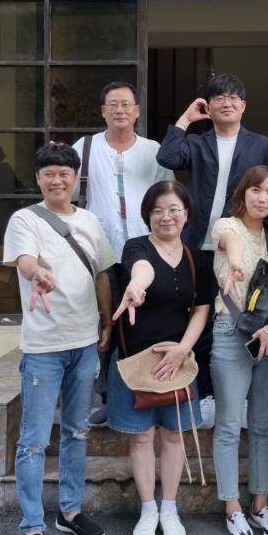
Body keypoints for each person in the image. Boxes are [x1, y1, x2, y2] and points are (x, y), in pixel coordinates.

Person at [2, 143, 116, 535]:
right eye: (48, 173)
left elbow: (101, 272)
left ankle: (70, 511)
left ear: (75, 179)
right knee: (33, 442)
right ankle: (32, 526)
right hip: (43, 348)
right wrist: (37, 273)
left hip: (84, 344)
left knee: (76, 431)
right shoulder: (25, 219)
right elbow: (24, 260)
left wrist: (106, 320)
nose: (57, 180)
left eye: (64, 173)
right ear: (38, 179)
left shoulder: (89, 220)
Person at [156, 74, 268, 426]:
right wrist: (185, 119)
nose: (227, 103)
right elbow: (167, 155)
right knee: (201, 318)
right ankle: (205, 395)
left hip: (240, 245)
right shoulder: (197, 143)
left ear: (243, 105)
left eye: (234, 97)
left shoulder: (261, 145)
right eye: (219, 98)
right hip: (197, 243)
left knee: (241, 317)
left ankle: (240, 398)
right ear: (209, 106)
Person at [108, 180, 213, 535]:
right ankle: (147, 509)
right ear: (147, 215)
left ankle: (169, 508)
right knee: (140, 437)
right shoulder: (136, 247)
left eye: (173, 209)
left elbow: (202, 308)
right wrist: (136, 288)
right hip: (135, 360)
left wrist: (183, 349)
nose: (165, 217)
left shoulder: (197, 259)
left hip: (178, 362)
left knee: (173, 435)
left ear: (186, 214)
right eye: (157, 210)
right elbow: (142, 270)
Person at [72, 81, 173, 427]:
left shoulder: (153, 150)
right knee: (107, 323)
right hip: (100, 252)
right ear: (103, 111)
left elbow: (166, 196)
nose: (119, 110)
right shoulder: (85, 147)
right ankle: (108, 397)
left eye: (126, 104)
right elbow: (66, 193)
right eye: (113, 104)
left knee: (143, 324)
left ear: (137, 111)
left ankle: (149, 393)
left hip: (145, 251)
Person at [209, 166, 268, 535]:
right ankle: (232, 507)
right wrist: (237, 263)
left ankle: (260, 504)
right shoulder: (226, 225)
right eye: (256, 190)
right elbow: (231, 244)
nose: (263, 198)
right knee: (228, 424)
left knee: (262, 425)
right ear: (243, 192)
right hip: (231, 331)